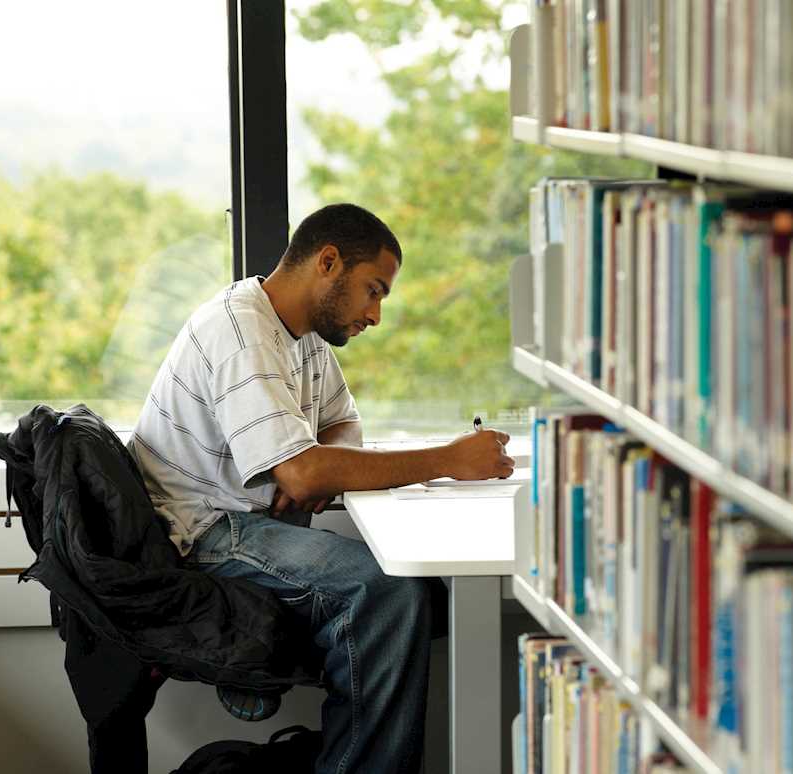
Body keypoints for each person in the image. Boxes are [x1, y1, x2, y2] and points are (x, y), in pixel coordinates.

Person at [127, 202, 515, 773]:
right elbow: (306, 472)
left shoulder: (301, 334)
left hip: (247, 521)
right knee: (387, 592)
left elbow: (343, 422)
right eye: (373, 290)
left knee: (426, 595)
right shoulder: (241, 330)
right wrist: (448, 460)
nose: (376, 314)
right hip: (202, 530)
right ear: (328, 262)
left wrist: (312, 468)